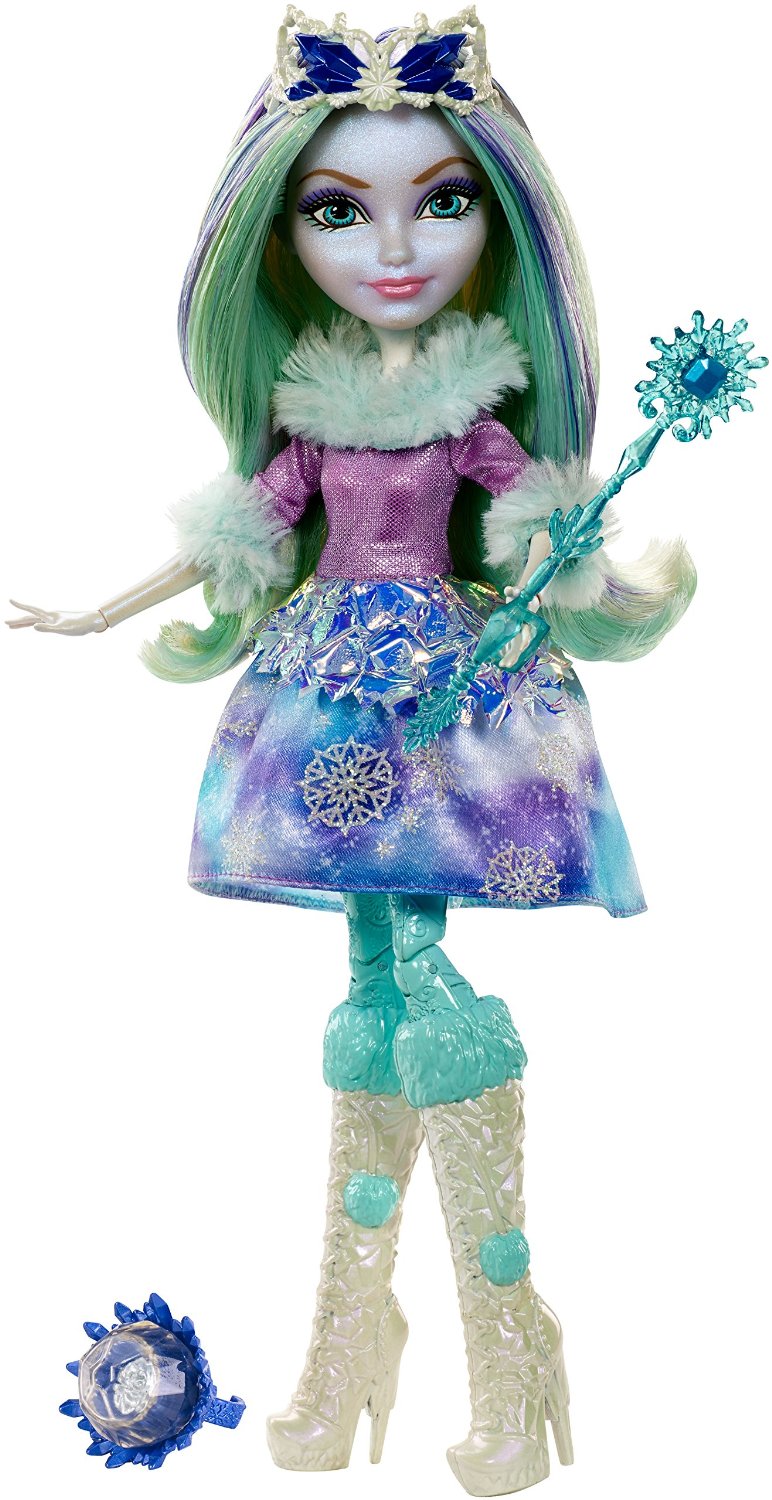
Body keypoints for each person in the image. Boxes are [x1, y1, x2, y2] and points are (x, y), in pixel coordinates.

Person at [7, 9, 696, 1494]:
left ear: (498, 223)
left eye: (442, 202)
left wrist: (563, 560)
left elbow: (533, 523)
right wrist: (92, 610)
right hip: (322, 692)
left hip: (445, 694)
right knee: (372, 998)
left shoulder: (469, 409)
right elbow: (237, 532)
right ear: (275, 237)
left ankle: (509, 1337)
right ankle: (351, 1337)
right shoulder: (315, 416)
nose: (393, 248)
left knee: (425, 990)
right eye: (339, 211)